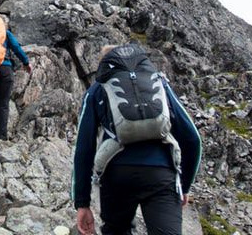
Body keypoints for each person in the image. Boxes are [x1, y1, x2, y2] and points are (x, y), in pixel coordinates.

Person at [71, 44, 201, 235]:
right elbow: (192, 138)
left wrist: (82, 203)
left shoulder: (97, 89)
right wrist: (184, 184)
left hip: (116, 174)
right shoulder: (158, 83)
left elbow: (84, 149)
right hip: (161, 174)